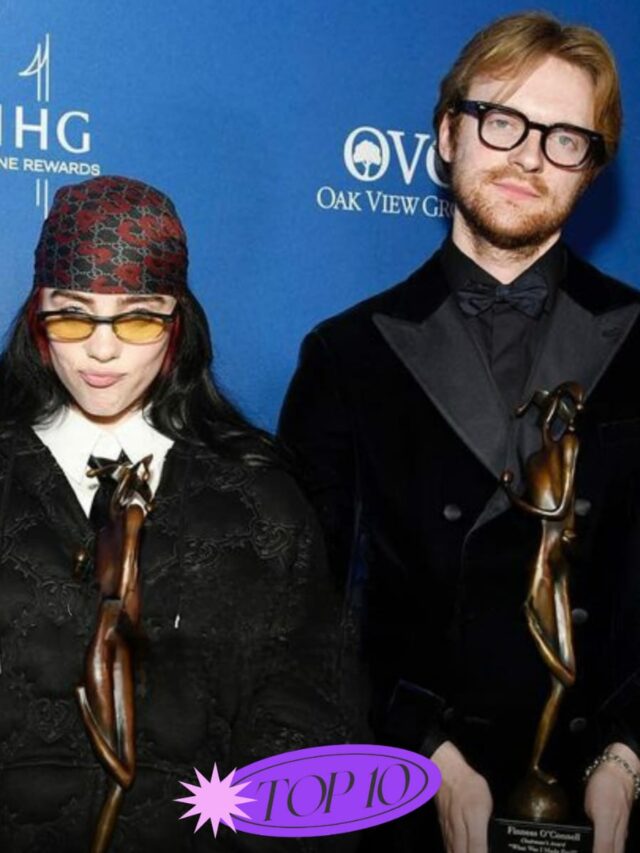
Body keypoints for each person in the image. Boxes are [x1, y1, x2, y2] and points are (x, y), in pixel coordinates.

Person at [279, 12, 640, 853]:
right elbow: (312, 610)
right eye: (502, 120)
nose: (528, 157)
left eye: (564, 138)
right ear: (448, 134)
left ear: (591, 170)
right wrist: (426, 752)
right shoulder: (346, 356)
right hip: (412, 795)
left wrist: (627, 754)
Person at [0, 175, 354, 852]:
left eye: (138, 317)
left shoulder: (261, 503)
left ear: (177, 323)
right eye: (72, 315)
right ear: (37, 319)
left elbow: (305, 724)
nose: (102, 349)